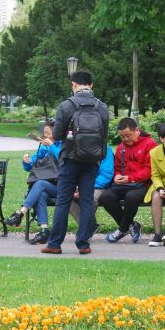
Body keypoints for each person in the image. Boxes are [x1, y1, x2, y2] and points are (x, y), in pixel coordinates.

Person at [41, 71, 109, 255]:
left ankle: (55, 244)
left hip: (70, 159)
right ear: (91, 85)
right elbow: (104, 135)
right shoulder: (101, 107)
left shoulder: (67, 105)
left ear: (74, 84)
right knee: (87, 201)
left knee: (63, 201)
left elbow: (56, 135)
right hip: (92, 160)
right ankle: (84, 244)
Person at [99, 117, 157, 244]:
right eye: (122, 136)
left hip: (144, 184)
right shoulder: (121, 147)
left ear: (137, 130)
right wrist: (116, 176)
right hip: (125, 184)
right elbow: (117, 168)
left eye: (128, 135)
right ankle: (131, 225)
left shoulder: (150, 144)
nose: (125, 139)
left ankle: (122, 229)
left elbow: (150, 170)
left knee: (131, 197)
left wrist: (130, 178)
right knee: (105, 197)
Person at [4, 122, 62, 245]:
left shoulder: (65, 144)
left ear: (57, 132)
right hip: (47, 185)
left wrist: (51, 146)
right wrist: (27, 161)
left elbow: (63, 159)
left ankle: (20, 213)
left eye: (48, 133)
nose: (45, 135)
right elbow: (32, 166)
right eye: (44, 133)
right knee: (40, 193)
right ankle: (44, 231)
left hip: (62, 186)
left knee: (40, 184)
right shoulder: (43, 147)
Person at [69, 146, 114, 232]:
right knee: (66, 197)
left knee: (90, 198)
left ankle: (85, 230)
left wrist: (85, 188)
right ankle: (90, 226)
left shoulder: (106, 149)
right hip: (80, 186)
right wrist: (76, 187)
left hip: (99, 186)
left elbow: (106, 175)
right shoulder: (77, 147)